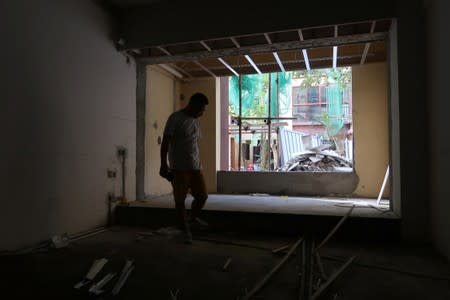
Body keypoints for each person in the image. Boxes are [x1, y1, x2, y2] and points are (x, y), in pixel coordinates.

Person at [160, 92, 209, 233]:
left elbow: (193, 144)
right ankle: (184, 228)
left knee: (202, 196)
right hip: (179, 167)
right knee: (180, 200)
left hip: (195, 167)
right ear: (192, 105)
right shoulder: (175, 118)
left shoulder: (195, 121)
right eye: (201, 109)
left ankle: (191, 220)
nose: (202, 113)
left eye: (203, 110)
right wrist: (164, 164)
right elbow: (165, 143)